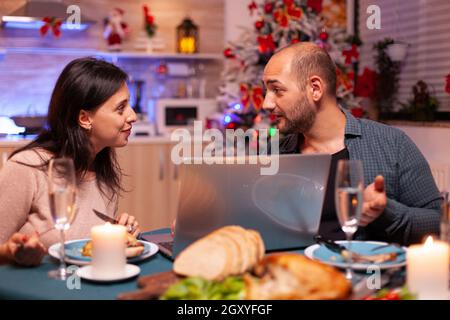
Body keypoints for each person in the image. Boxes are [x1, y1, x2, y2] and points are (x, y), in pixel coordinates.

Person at [262, 42, 441, 245]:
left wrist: (385, 212)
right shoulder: (275, 152)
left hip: (363, 275)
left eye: (277, 90)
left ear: (315, 88)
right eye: (266, 91)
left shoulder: (392, 144)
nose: (266, 103)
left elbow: (438, 222)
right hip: (298, 273)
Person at [0, 57, 140, 248]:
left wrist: (117, 232)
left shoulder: (102, 168)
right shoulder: (26, 168)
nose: (133, 116)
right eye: (120, 108)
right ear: (84, 118)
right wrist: (14, 253)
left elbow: (84, 245)